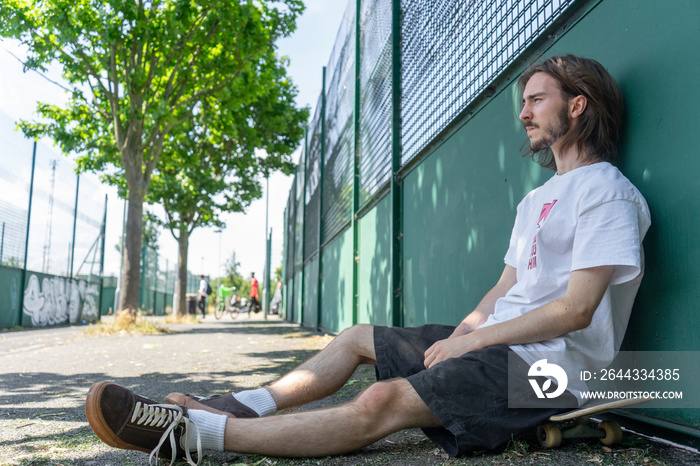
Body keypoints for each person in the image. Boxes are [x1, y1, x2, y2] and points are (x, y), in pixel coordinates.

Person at [84, 54, 651, 465]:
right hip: (502, 348)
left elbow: (578, 309)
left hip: (551, 375)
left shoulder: (608, 192)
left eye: (536, 99)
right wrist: (459, 337)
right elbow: (504, 289)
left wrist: (474, 343)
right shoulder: (536, 199)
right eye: (523, 101)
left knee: (381, 399)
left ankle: (197, 435)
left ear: (577, 106)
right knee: (359, 336)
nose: (523, 112)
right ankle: (243, 404)